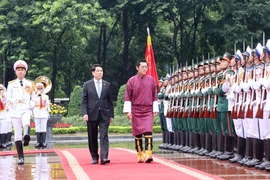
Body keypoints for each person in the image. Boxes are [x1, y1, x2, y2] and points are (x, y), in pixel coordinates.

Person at [123, 59, 158, 163]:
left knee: (148, 131)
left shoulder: (151, 80)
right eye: (142, 67)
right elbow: (127, 97)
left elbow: (154, 95)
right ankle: (140, 154)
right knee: (137, 133)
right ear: (137, 68)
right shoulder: (131, 81)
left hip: (148, 109)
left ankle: (148, 154)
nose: (144, 69)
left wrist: (155, 108)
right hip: (136, 110)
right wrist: (128, 111)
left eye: (146, 67)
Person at [81, 64, 114, 165]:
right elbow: (84, 101)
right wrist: (84, 113)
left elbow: (110, 101)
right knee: (92, 136)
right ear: (93, 72)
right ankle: (94, 156)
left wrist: (111, 115)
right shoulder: (87, 85)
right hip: (91, 114)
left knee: (104, 136)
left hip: (104, 114)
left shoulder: (107, 85)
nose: (100, 73)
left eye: (101, 71)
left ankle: (104, 157)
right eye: (98, 71)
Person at [6, 60, 34, 165]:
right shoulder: (11, 84)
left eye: (22, 70)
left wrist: (33, 103)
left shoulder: (30, 84)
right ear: (15, 72)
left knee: (26, 120)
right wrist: (13, 101)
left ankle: (26, 135)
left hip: (26, 107)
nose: (20, 72)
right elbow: (7, 97)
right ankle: (21, 157)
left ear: (25, 72)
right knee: (17, 134)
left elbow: (34, 96)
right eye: (18, 70)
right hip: (15, 109)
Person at [30, 83, 50, 148]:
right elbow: (32, 104)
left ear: (43, 89)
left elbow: (48, 103)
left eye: (40, 88)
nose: (39, 90)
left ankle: (43, 142)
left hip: (43, 112)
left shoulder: (46, 96)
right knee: (38, 127)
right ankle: (38, 142)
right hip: (37, 112)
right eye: (38, 88)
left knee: (43, 127)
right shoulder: (34, 96)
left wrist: (43, 98)